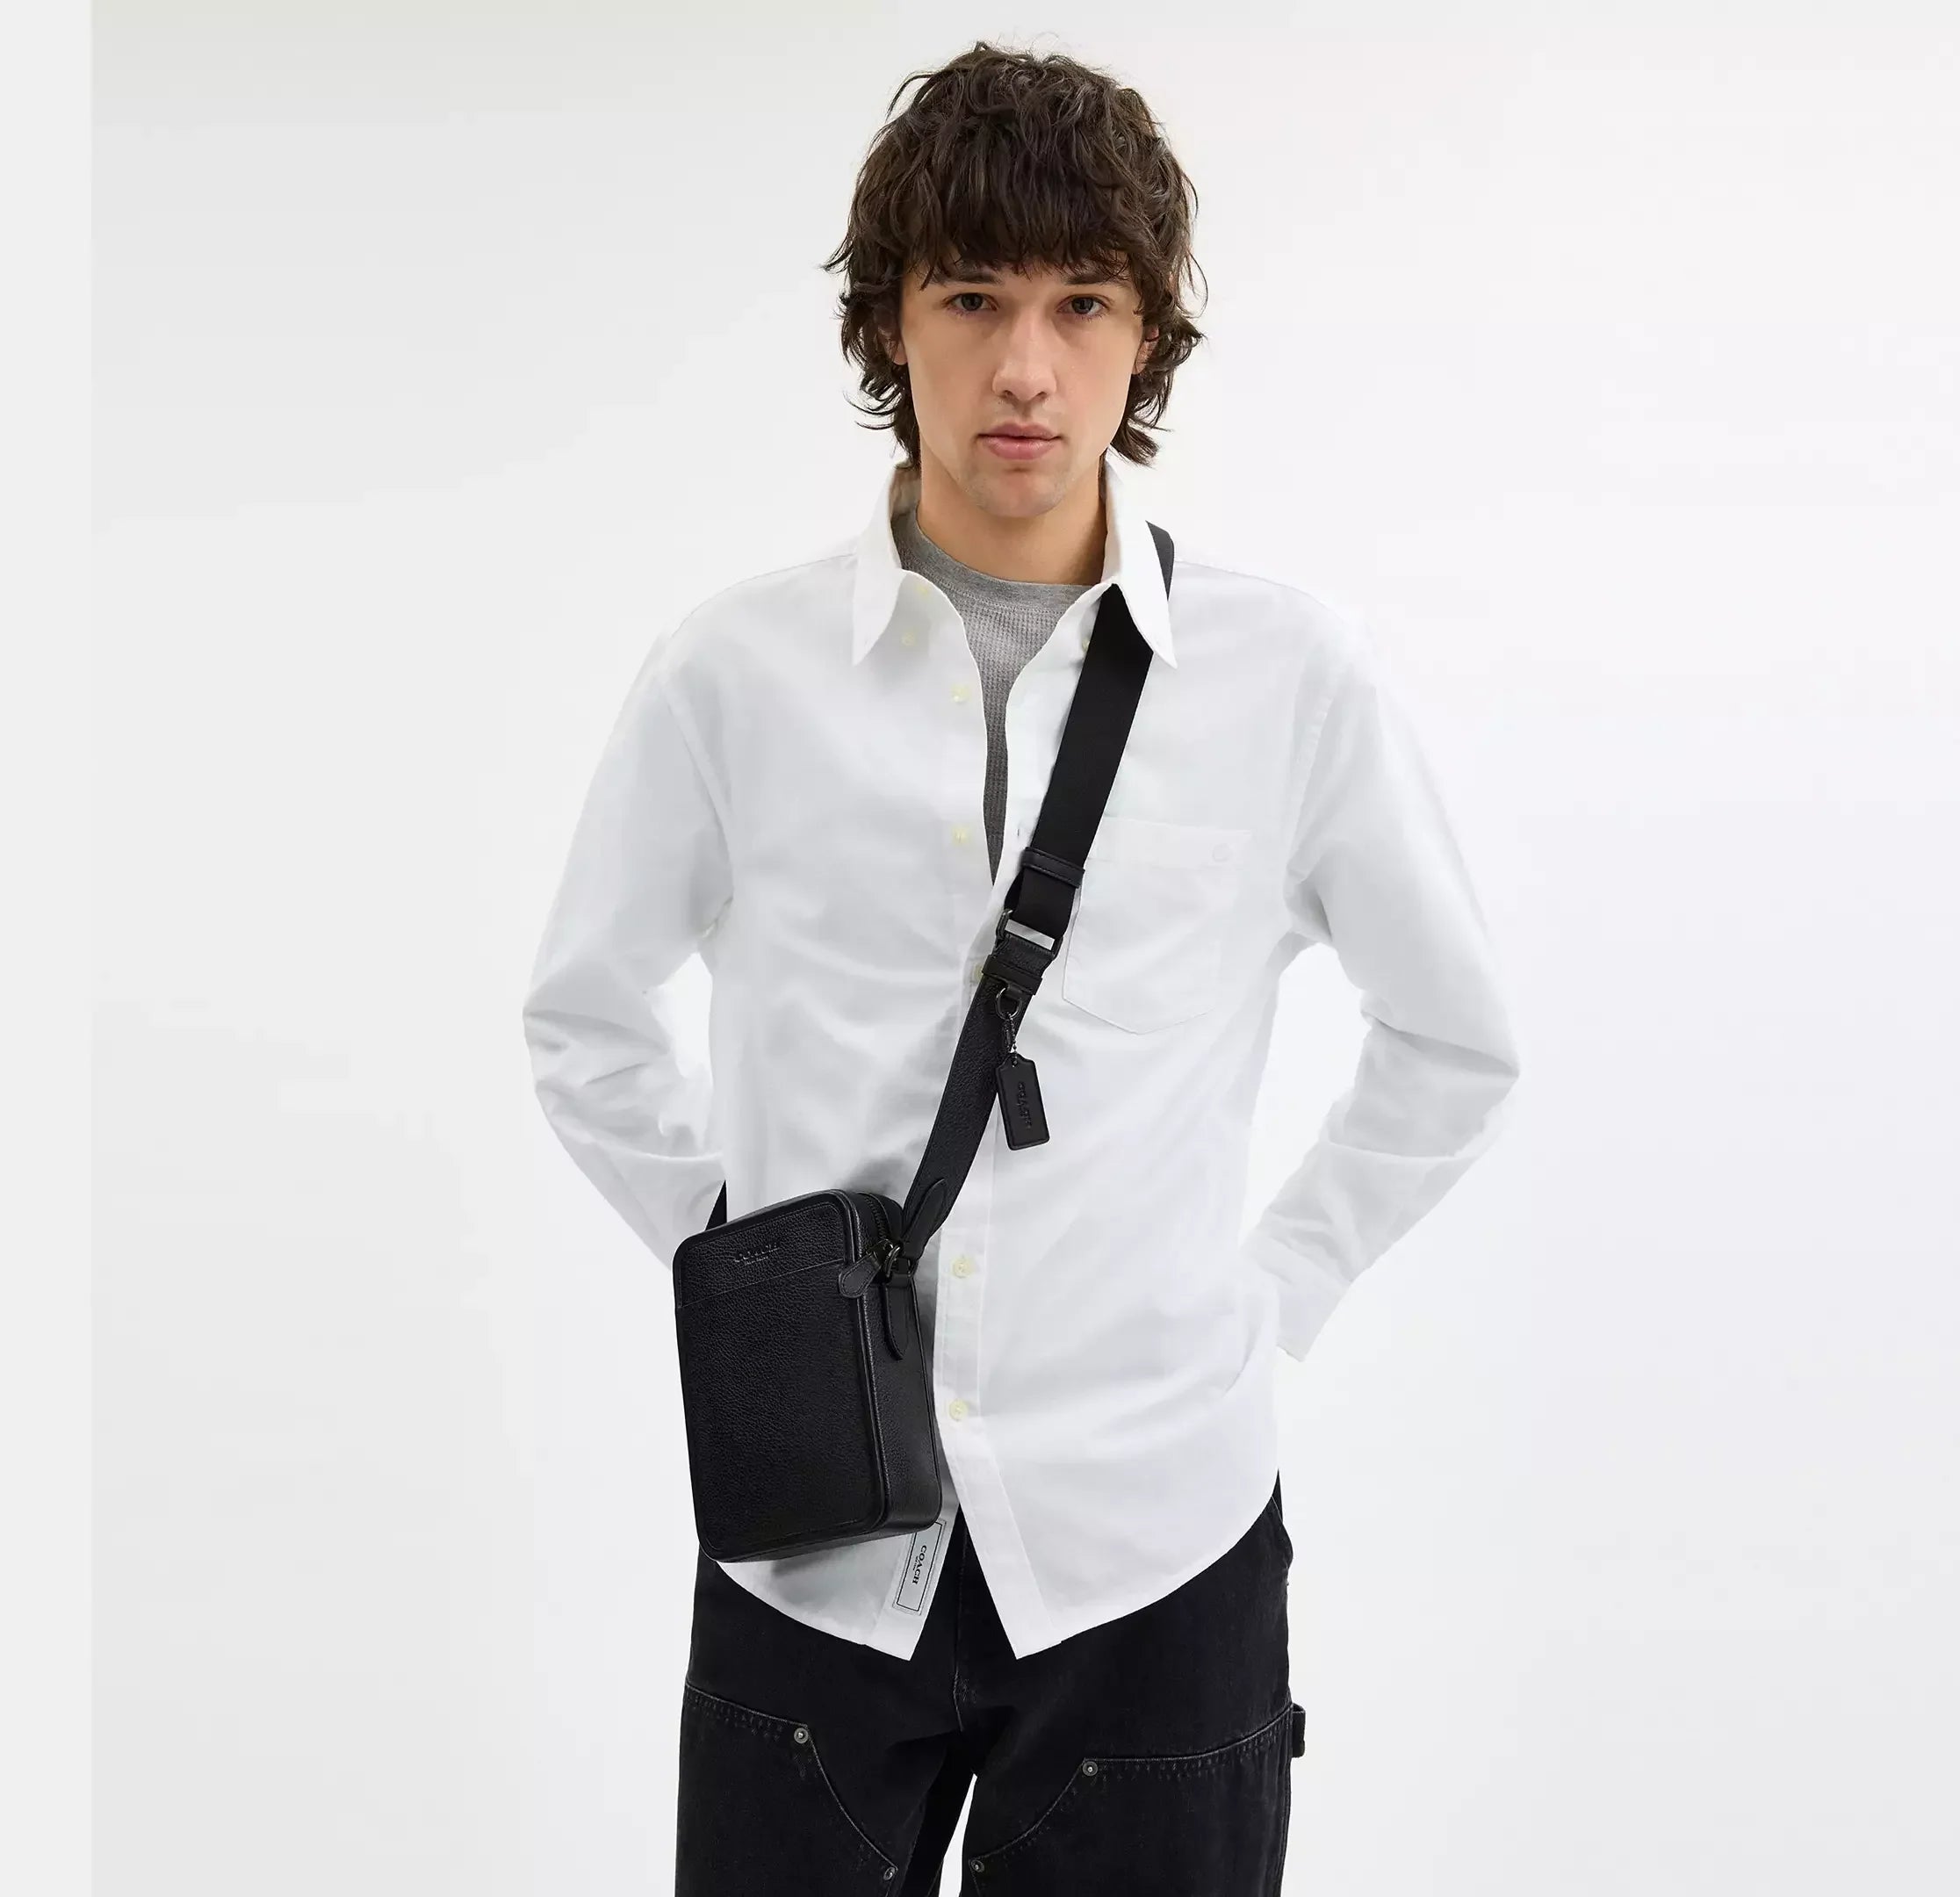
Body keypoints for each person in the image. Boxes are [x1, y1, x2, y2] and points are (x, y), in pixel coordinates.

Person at [520, 39, 1519, 1896]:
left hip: (1159, 1526)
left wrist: (1272, 1296)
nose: (1025, 367)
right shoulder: (730, 677)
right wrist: (741, 1263)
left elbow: (1454, 1039)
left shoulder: (1288, 680)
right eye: (970, 298)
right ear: (888, 326)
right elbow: (583, 1018)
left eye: (1083, 303)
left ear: (1146, 341)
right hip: (817, 1549)